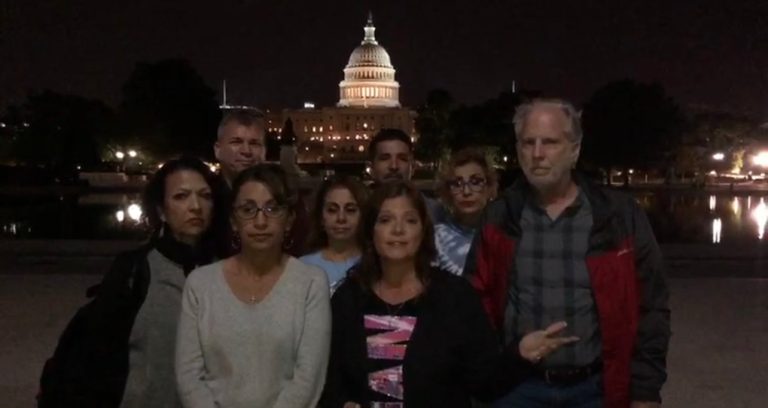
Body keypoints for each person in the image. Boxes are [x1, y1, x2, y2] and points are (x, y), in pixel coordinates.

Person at [464, 99, 671, 408]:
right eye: (528, 142)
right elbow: (475, 303)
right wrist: (494, 367)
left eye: (550, 142)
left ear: (574, 150)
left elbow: (651, 307)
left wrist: (645, 390)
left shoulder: (617, 216)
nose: (537, 153)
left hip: (594, 389)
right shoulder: (500, 217)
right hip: (517, 388)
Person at [321, 181, 568, 408]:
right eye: (385, 220)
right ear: (370, 232)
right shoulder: (348, 298)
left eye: (410, 220)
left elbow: (485, 384)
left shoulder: (455, 296)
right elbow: (328, 379)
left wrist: (520, 355)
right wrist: (341, 403)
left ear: (423, 231)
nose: (398, 230)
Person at [38, 157, 223, 408]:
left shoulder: (227, 271)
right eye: (181, 196)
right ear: (161, 211)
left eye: (205, 196)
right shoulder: (136, 270)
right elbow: (98, 353)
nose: (196, 206)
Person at [176, 164, 331, 408]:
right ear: (233, 220)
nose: (260, 221)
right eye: (248, 210)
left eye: (272, 209)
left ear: (289, 219)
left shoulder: (310, 283)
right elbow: (189, 376)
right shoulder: (200, 283)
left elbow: (307, 379)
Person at [213, 109, 308, 256]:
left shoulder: (287, 197)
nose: (246, 151)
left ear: (264, 151)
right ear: (218, 150)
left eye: (254, 143)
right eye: (236, 142)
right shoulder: (204, 197)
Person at [434, 147, 498, 275]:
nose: (466, 191)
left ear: (489, 188)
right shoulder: (435, 239)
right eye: (457, 184)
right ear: (447, 192)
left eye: (475, 182)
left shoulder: (504, 236)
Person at [300, 175, 370, 292]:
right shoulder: (303, 266)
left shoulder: (374, 265)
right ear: (321, 217)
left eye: (350, 210)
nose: (341, 218)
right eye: (332, 210)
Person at [367, 128, 441, 220]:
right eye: (385, 158)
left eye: (402, 159)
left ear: (412, 167)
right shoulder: (357, 210)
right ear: (371, 167)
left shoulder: (434, 211)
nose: (394, 166)